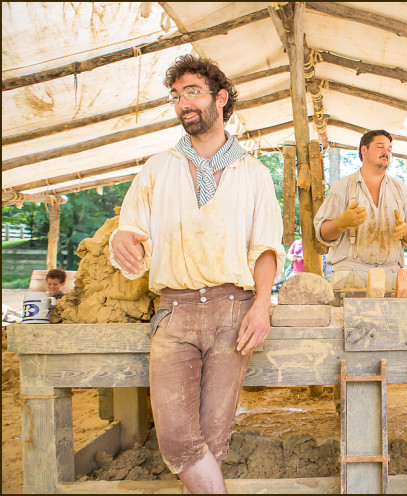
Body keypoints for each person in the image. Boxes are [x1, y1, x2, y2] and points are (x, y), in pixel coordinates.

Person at [109, 54, 285, 493]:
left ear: (220, 98)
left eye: (192, 92)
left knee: (212, 441)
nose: (182, 103)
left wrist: (262, 307)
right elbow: (130, 228)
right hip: (175, 312)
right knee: (178, 442)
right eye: (175, 96)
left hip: (233, 312)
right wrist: (121, 241)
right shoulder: (157, 168)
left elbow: (265, 248)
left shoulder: (254, 174)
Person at [314, 130, 407, 290]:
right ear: (364, 150)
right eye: (380, 147)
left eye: (389, 149)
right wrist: (341, 222)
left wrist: (406, 230)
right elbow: (322, 233)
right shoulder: (342, 187)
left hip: (391, 278)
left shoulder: (402, 190)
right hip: (350, 277)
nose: (386, 152)